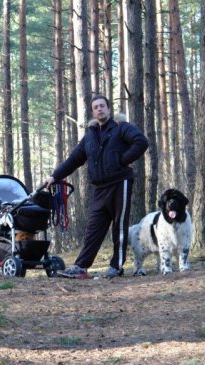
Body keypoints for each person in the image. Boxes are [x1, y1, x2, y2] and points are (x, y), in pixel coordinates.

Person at [44, 94, 149, 279]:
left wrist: (123, 160)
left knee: (120, 227)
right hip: (100, 188)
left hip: (120, 183)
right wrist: (54, 176)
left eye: (102, 106)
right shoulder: (90, 136)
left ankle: (116, 266)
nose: (99, 109)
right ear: (93, 112)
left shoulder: (121, 128)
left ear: (109, 109)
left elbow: (141, 142)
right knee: (93, 228)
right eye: (96, 107)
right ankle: (81, 267)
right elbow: (73, 160)